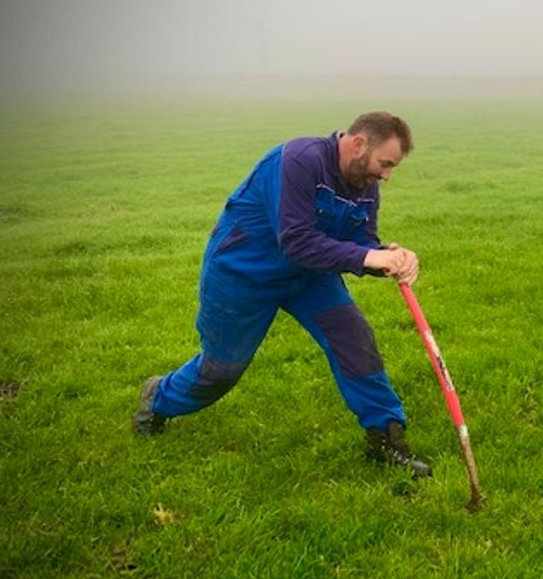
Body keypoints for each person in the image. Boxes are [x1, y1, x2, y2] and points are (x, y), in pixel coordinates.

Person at [133, 111, 431, 478]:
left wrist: (391, 258)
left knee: (355, 341)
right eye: (385, 164)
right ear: (358, 144)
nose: (386, 175)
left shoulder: (365, 185)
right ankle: (158, 397)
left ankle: (386, 438)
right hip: (243, 274)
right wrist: (369, 255)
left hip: (309, 277)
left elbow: (360, 244)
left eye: (392, 169)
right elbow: (295, 241)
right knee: (221, 370)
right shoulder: (299, 160)